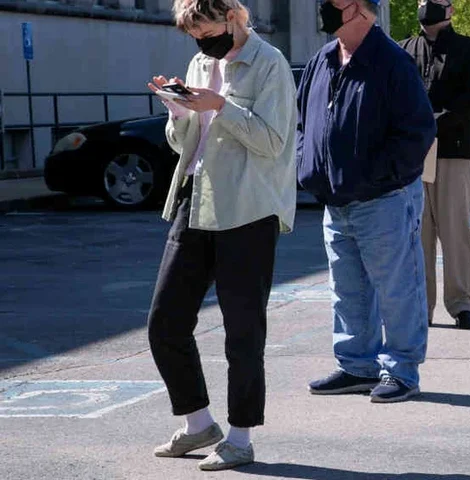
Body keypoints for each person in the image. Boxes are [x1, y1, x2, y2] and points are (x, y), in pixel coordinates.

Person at [145, 0, 297, 471]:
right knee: (165, 323)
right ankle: (198, 424)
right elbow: (184, 142)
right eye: (192, 33)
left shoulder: (269, 63)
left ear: (232, 17)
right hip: (196, 200)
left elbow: (274, 141)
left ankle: (240, 437)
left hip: (249, 209)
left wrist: (220, 107)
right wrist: (177, 111)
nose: (199, 41)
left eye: (204, 29)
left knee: (243, 331)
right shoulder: (200, 61)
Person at [297, 0, 436, 403]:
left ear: (356, 7)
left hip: (383, 200)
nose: (323, 7)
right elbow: (305, 122)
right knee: (347, 290)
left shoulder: (391, 62)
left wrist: (375, 178)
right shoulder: (322, 59)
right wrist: (307, 167)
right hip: (335, 201)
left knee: (398, 289)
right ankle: (356, 365)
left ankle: (402, 371)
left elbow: (416, 134)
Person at [399, 0, 470, 330]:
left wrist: (428, 124)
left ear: (449, 9)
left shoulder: (468, 48)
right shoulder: (404, 49)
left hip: (453, 150)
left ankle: (462, 304)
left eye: (433, 1)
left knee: (455, 231)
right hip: (414, 155)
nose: (425, 6)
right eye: (421, 1)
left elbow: (468, 98)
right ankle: (421, 307)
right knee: (417, 235)